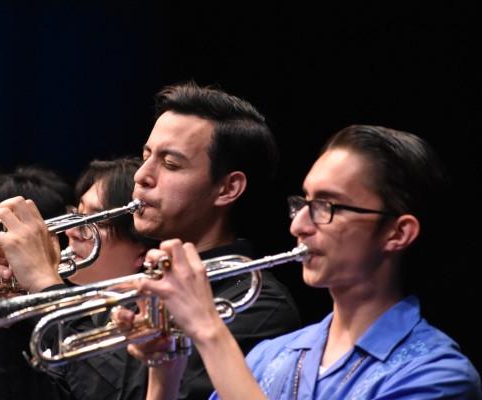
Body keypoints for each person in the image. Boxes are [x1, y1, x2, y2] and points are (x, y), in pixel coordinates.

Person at [0, 82, 301, 399]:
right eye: (147, 156)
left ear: (228, 189)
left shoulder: (259, 303)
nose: (142, 175)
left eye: (170, 164)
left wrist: (46, 285)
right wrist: (11, 310)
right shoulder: (128, 292)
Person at [122, 124, 482, 399]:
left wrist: (206, 328)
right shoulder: (271, 355)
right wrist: (166, 369)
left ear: (398, 233)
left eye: (327, 206)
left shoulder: (437, 375)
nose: (299, 225)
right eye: (304, 202)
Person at [0, 158, 156, 400]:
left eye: (92, 221)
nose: (71, 231)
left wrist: (45, 283)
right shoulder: (64, 320)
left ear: (141, 249)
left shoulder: (149, 317)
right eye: (76, 214)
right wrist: (7, 321)